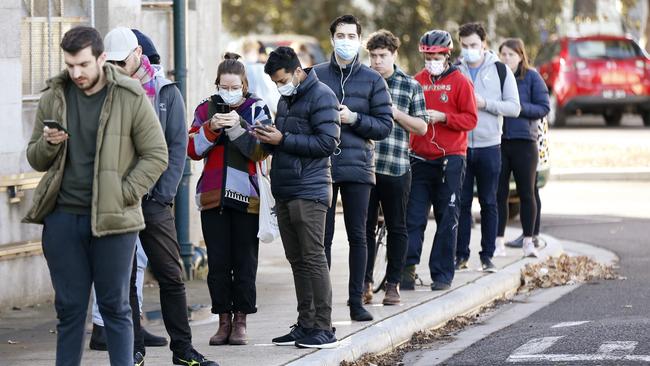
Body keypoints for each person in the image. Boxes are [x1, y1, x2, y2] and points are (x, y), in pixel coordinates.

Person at [23, 26, 168, 366]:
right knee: (70, 310)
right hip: (63, 219)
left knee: (115, 306)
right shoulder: (54, 95)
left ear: (102, 58)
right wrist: (48, 144)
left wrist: (124, 193)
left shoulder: (130, 94)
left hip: (115, 219)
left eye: (84, 65)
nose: (76, 73)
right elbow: (35, 157)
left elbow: (157, 154)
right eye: (70, 65)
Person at [103, 28, 219, 366]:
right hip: (120, 200)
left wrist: (163, 194)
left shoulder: (166, 92)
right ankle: (133, 350)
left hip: (154, 200)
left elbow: (176, 147)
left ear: (138, 53)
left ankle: (182, 350)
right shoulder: (102, 90)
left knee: (170, 274)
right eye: (109, 63)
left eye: (120, 61)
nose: (115, 68)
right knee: (124, 277)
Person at [89, 28, 168, 355]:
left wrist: (138, 188)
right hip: (113, 194)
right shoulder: (103, 91)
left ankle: (131, 326)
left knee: (135, 264)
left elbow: (159, 149)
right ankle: (102, 327)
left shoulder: (151, 89)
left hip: (136, 192)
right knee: (112, 266)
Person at [259, 46, 340, 349]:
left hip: (310, 190)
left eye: (282, 79)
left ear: (297, 71)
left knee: (313, 258)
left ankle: (324, 327)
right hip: (286, 189)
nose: (279, 86)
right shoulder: (286, 99)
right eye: (275, 82)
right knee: (297, 261)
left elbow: (327, 143)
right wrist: (267, 137)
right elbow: (285, 140)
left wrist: (284, 139)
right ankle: (305, 324)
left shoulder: (322, 96)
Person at [188, 53, 271, 347]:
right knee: (219, 263)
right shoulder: (204, 108)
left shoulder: (257, 108)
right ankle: (222, 320)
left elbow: (261, 150)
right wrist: (212, 126)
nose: (229, 91)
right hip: (212, 196)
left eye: (235, 86)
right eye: (224, 86)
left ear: (244, 84)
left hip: (247, 197)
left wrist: (237, 127)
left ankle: (241, 322)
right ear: (217, 84)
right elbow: (193, 149)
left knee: (245, 262)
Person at [314, 14, 393, 322]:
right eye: (340, 36)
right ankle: (321, 307)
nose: (345, 41)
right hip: (321, 167)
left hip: (358, 167)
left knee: (359, 235)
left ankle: (356, 300)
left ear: (359, 41)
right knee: (323, 238)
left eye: (351, 36)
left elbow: (384, 125)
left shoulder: (373, 80)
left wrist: (354, 119)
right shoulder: (316, 75)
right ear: (331, 39)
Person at [402, 29, 478, 291]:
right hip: (420, 157)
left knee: (447, 217)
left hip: (451, 158)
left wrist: (444, 117)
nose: (431, 61)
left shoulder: (460, 82)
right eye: (427, 56)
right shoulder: (416, 81)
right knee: (413, 216)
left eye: (436, 56)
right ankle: (407, 270)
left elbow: (471, 119)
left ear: (447, 55)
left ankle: (442, 274)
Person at [363, 29, 428, 306]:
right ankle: (363, 283)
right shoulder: (362, 82)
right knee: (362, 228)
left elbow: (423, 127)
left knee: (397, 227)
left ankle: (393, 284)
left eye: (383, 56)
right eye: (373, 56)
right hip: (365, 167)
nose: (377, 61)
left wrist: (395, 113)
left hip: (396, 166)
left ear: (394, 55)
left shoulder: (410, 85)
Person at [455, 22, 521, 272]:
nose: (469, 50)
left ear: (484, 43)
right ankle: (460, 255)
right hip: (460, 146)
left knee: (489, 202)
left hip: (489, 146)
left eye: (474, 45)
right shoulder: (455, 70)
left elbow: (514, 107)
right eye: (465, 46)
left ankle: (487, 255)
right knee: (460, 204)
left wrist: (486, 104)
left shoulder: (500, 70)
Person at [497, 38, 550, 256]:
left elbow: (543, 107)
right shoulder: (495, 77)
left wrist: (516, 108)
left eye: (511, 54)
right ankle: (497, 242)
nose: (507, 58)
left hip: (525, 142)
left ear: (521, 56)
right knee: (498, 194)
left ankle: (529, 240)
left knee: (527, 192)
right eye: (503, 54)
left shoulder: (532, 77)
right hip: (499, 141)